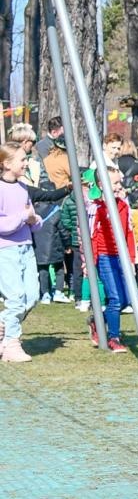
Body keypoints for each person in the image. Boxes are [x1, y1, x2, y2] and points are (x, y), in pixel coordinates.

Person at [0, 142, 43, 363]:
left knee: (32, 296)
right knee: (15, 298)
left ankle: (3, 323)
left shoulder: (23, 188)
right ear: (7, 164)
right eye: (22, 160)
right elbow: (4, 226)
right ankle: (11, 344)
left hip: (26, 248)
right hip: (5, 251)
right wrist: (23, 217)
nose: (26, 163)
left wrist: (35, 220)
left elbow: (32, 219)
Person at [86, 169, 134, 352]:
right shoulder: (96, 208)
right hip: (105, 257)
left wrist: (131, 259)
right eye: (115, 183)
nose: (119, 186)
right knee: (115, 298)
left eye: (119, 182)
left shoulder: (123, 206)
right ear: (101, 185)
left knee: (126, 299)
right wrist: (90, 261)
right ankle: (114, 337)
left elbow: (129, 232)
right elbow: (91, 235)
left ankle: (97, 321)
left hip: (121, 257)